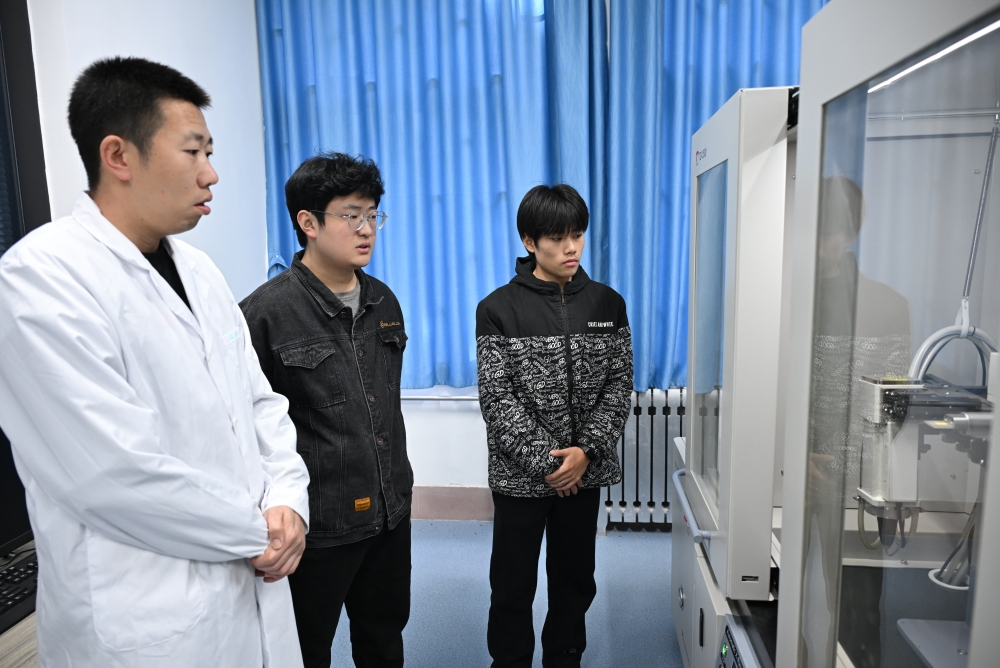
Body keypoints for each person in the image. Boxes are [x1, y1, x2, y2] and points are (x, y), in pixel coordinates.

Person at [0, 57, 310, 667]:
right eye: (193, 152)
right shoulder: (40, 279)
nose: (211, 173)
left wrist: (288, 498)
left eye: (209, 153)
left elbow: (260, 404)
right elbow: (112, 474)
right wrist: (260, 531)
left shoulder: (200, 271)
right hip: (149, 620)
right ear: (119, 156)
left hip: (255, 574)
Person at [240, 153, 412, 668]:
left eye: (373, 215)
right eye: (351, 215)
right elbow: (247, 429)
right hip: (317, 525)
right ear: (308, 223)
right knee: (305, 650)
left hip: (389, 512)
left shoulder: (384, 301)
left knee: (384, 642)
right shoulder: (264, 314)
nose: (367, 229)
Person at [475, 184, 633, 668]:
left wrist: (585, 452)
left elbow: (619, 386)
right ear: (530, 242)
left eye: (577, 235)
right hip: (521, 479)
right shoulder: (497, 309)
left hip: (585, 473)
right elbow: (498, 399)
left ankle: (565, 657)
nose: (571, 248)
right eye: (558, 238)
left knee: (574, 581)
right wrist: (550, 463)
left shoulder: (608, 304)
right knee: (512, 585)